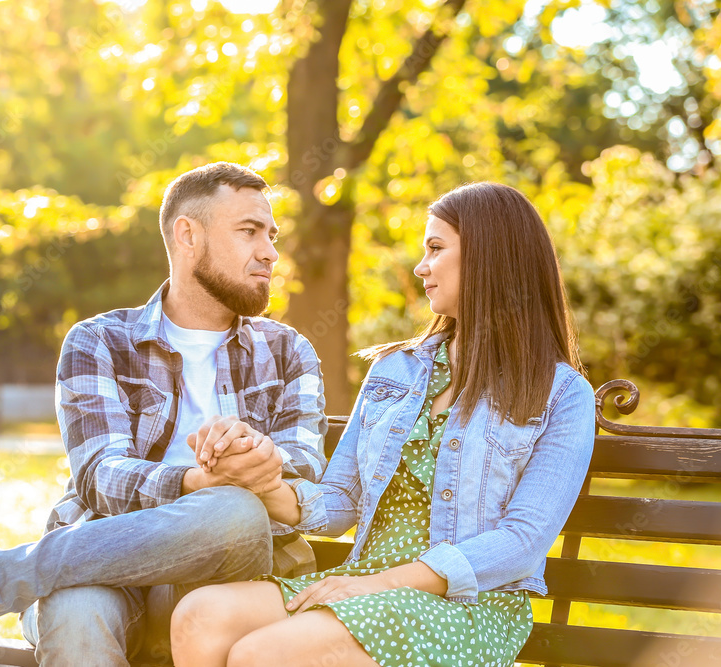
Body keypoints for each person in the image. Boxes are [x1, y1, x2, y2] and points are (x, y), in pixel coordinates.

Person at [0, 162, 327, 666]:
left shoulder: (288, 351)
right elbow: (99, 476)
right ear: (188, 235)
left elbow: (304, 470)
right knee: (74, 608)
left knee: (235, 510)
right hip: (107, 571)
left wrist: (257, 460)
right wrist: (195, 481)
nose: (270, 251)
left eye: (271, 235)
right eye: (249, 231)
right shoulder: (99, 342)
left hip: (235, 576)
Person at [170, 181, 597, 667]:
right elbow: (340, 502)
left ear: (489, 257)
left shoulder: (562, 395)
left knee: (262, 655)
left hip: (466, 607)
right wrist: (261, 478)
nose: (421, 267)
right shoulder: (397, 371)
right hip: (364, 580)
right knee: (200, 616)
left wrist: (375, 585)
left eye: (436, 248)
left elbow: (521, 543)